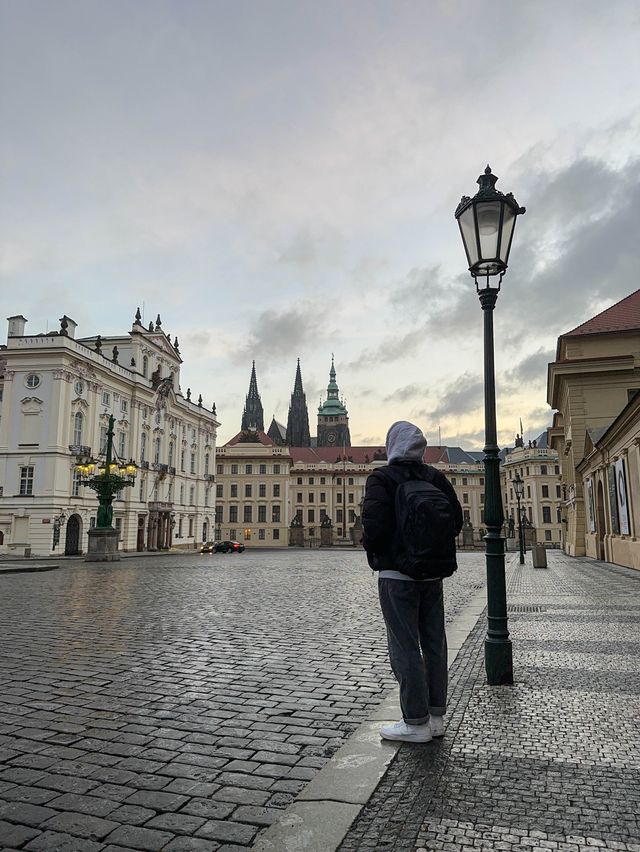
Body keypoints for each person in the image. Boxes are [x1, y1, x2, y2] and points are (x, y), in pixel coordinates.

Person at [362, 421, 463, 743]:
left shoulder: (381, 478)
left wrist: (378, 553)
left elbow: (373, 526)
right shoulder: (435, 477)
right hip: (432, 573)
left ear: (392, 445)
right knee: (435, 644)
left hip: (396, 576)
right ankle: (436, 718)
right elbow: (456, 521)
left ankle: (414, 722)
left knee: (404, 646)